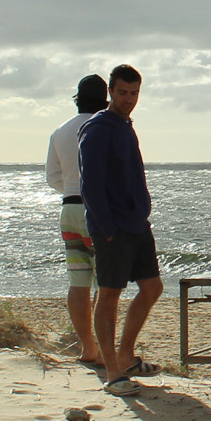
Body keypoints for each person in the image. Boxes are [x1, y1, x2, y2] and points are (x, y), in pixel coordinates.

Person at [77, 64, 163, 394]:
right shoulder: (98, 128)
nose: (129, 99)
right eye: (123, 92)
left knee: (152, 288)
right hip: (111, 227)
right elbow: (91, 184)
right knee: (109, 295)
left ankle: (126, 355)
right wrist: (106, 227)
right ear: (110, 92)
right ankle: (112, 371)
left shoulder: (125, 126)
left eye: (134, 93)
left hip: (136, 224)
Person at [45, 73, 110, 368]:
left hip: (69, 207)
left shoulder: (60, 131)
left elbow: (52, 177)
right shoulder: (106, 127)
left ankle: (87, 347)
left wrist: (73, 187)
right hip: (96, 210)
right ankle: (105, 347)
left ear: (77, 100)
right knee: (105, 284)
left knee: (78, 281)